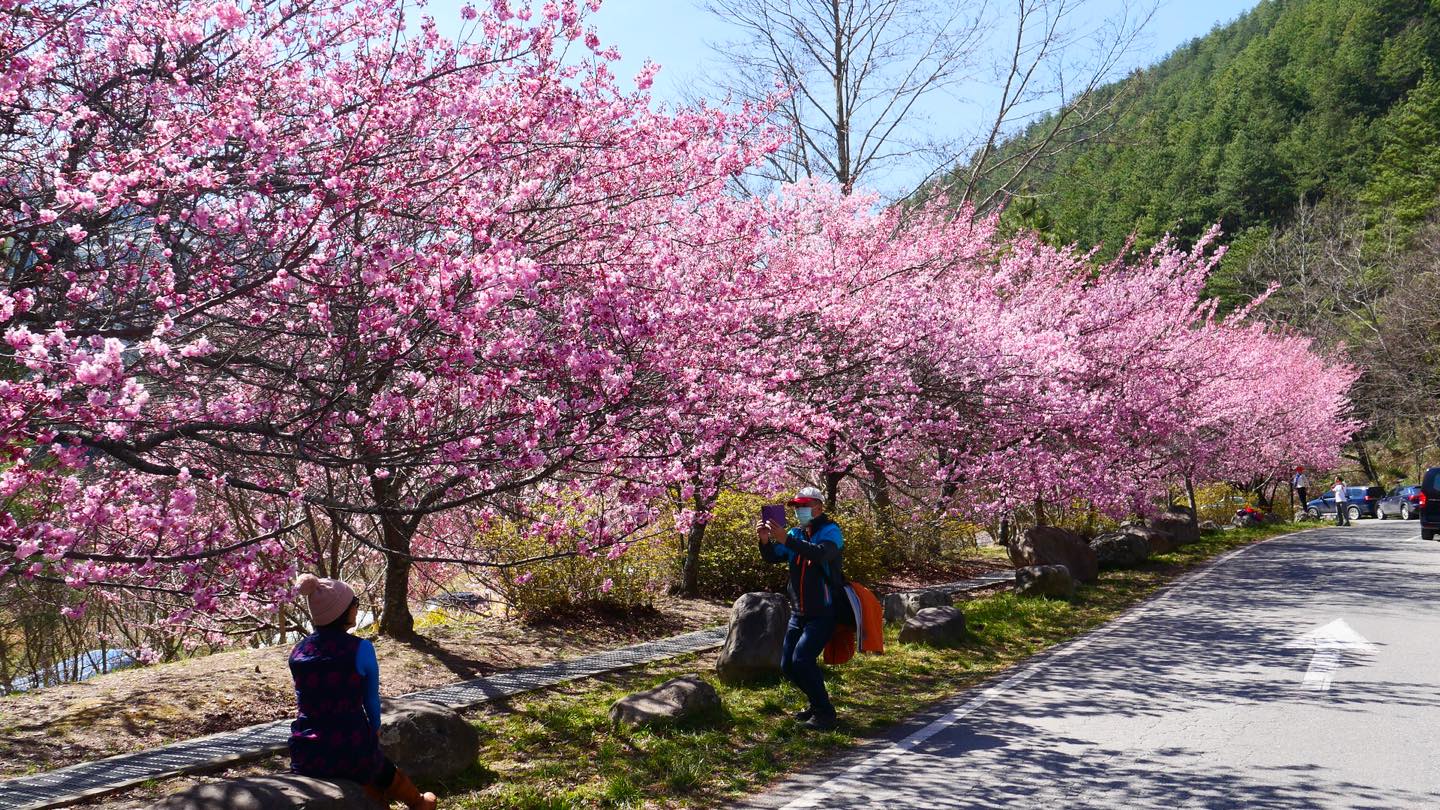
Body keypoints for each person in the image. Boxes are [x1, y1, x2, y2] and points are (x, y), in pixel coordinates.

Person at [288, 574, 438, 810]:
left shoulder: (298, 651)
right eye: (355, 602)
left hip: (307, 749)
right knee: (379, 768)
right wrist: (374, 728)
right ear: (342, 611)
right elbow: (370, 699)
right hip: (350, 744)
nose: (357, 607)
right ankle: (418, 803)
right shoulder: (361, 648)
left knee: (360, 771)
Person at [756, 486, 844, 731]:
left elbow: (821, 554)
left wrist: (787, 539)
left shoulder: (831, 531)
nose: (799, 510)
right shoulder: (795, 533)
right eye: (796, 507)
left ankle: (825, 713)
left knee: (803, 660)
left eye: (804, 506)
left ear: (819, 507)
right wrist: (765, 541)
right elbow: (774, 556)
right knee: (788, 665)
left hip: (823, 611)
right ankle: (817, 704)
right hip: (798, 611)